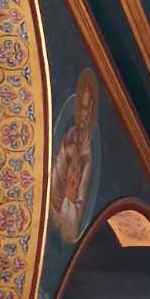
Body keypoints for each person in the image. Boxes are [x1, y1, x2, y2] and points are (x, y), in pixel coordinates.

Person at [50, 68, 98, 244]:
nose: (86, 115)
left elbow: (77, 207)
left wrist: (68, 197)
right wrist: (65, 152)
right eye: (83, 108)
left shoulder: (88, 159)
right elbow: (56, 177)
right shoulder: (70, 134)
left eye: (89, 110)